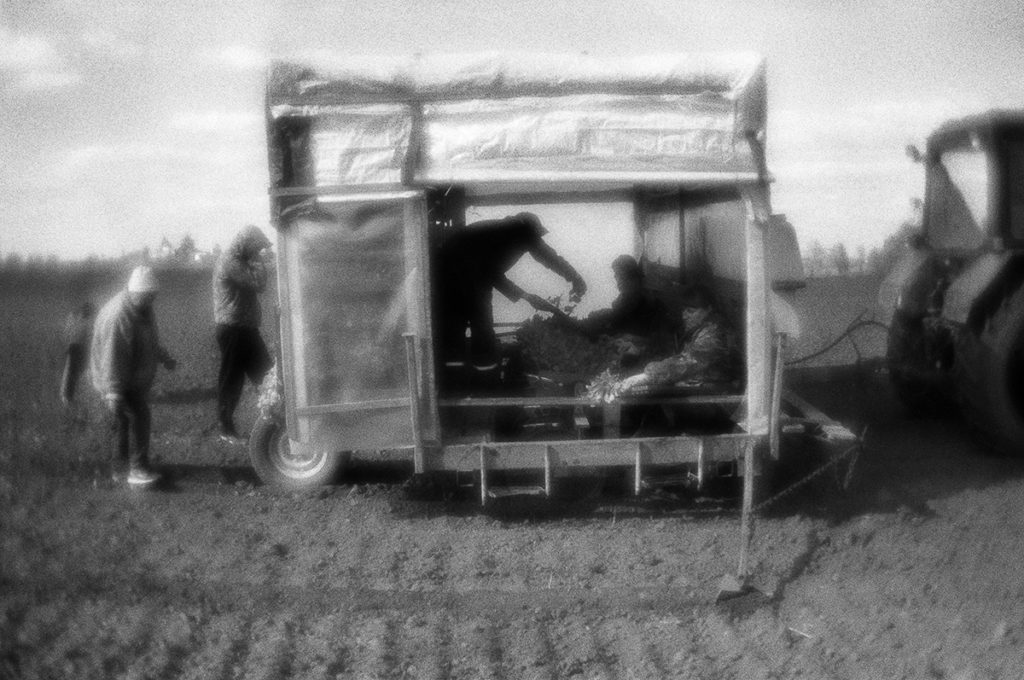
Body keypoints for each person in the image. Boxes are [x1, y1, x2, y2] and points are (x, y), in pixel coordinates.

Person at [436, 212, 587, 370]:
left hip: (462, 279)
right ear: (523, 233)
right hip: (452, 280)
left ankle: (463, 372)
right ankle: (476, 375)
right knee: (477, 325)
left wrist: (574, 277)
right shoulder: (498, 237)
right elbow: (488, 273)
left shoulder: (510, 233)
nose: (532, 245)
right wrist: (525, 296)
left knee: (468, 327)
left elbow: (548, 256)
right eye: (533, 238)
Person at [90, 266, 177, 485]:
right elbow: (112, 358)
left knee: (122, 423)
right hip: (116, 380)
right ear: (138, 292)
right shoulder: (119, 317)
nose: (152, 301)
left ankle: (119, 469)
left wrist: (163, 357)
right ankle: (137, 470)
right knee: (139, 416)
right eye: (149, 297)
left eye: (153, 297)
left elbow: (148, 339)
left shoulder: (142, 308)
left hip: (128, 378)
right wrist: (113, 393)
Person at [618, 284, 740, 394]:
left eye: (691, 311)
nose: (684, 315)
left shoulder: (714, 333)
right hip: (702, 383)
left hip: (718, 392)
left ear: (708, 309)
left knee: (641, 395)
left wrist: (648, 375)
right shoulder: (698, 327)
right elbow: (670, 349)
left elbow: (689, 361)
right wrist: (641, 348)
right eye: (684, 310)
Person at [213, 225, 274, 441]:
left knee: (266, 374)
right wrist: (259, 260)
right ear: (246, 245)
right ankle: (225, 428)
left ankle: (275, 421)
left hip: (244, 328)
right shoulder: (230, 261)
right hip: (233, 329)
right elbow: (258, 283)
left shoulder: (239, 261)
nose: (258, 252)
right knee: (232, 379)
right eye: (256, 248)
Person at [60, 301, 95, 409]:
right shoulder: (85, 320)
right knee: (75, 372)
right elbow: (89, 335)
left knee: (71, 372)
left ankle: (68, 396)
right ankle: (68, 396)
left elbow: (66, 333)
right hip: (78, 348)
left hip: (74, 347)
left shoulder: (73, 317)